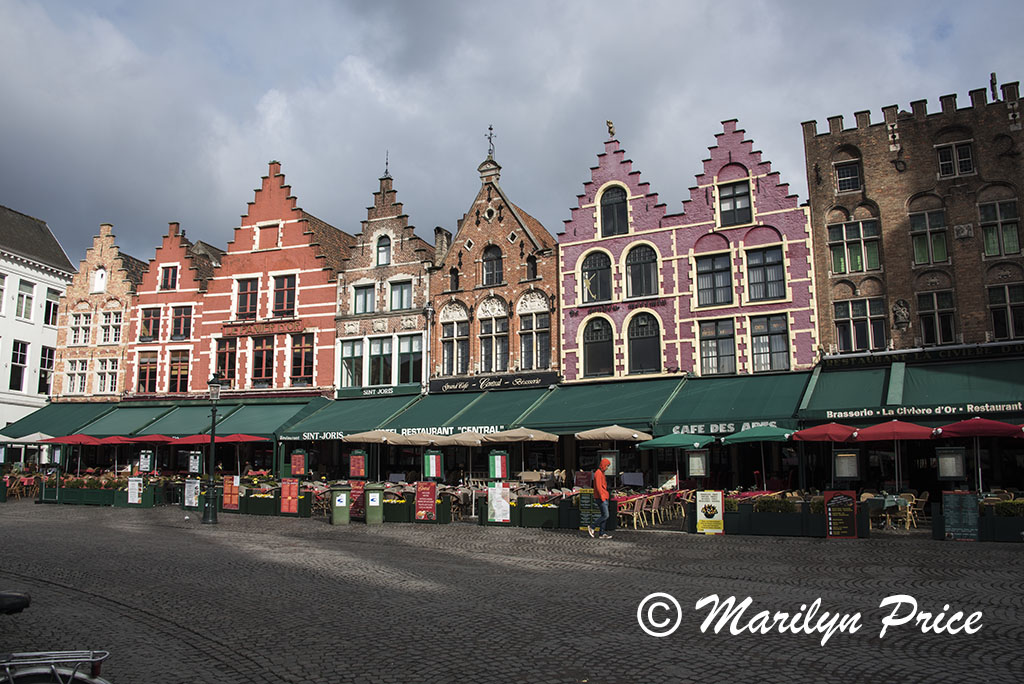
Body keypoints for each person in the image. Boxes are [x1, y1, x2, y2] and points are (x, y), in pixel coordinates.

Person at [588, 458, 612, 539]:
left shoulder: (601, 473)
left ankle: (602, 533)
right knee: (606, 515)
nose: (607, 468)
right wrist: (602, 497)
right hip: (601, 497)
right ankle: (592, 526)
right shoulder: (598, 473)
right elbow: (598, 487)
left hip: (603, 496)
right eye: (607, 466)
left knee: (604, 515)